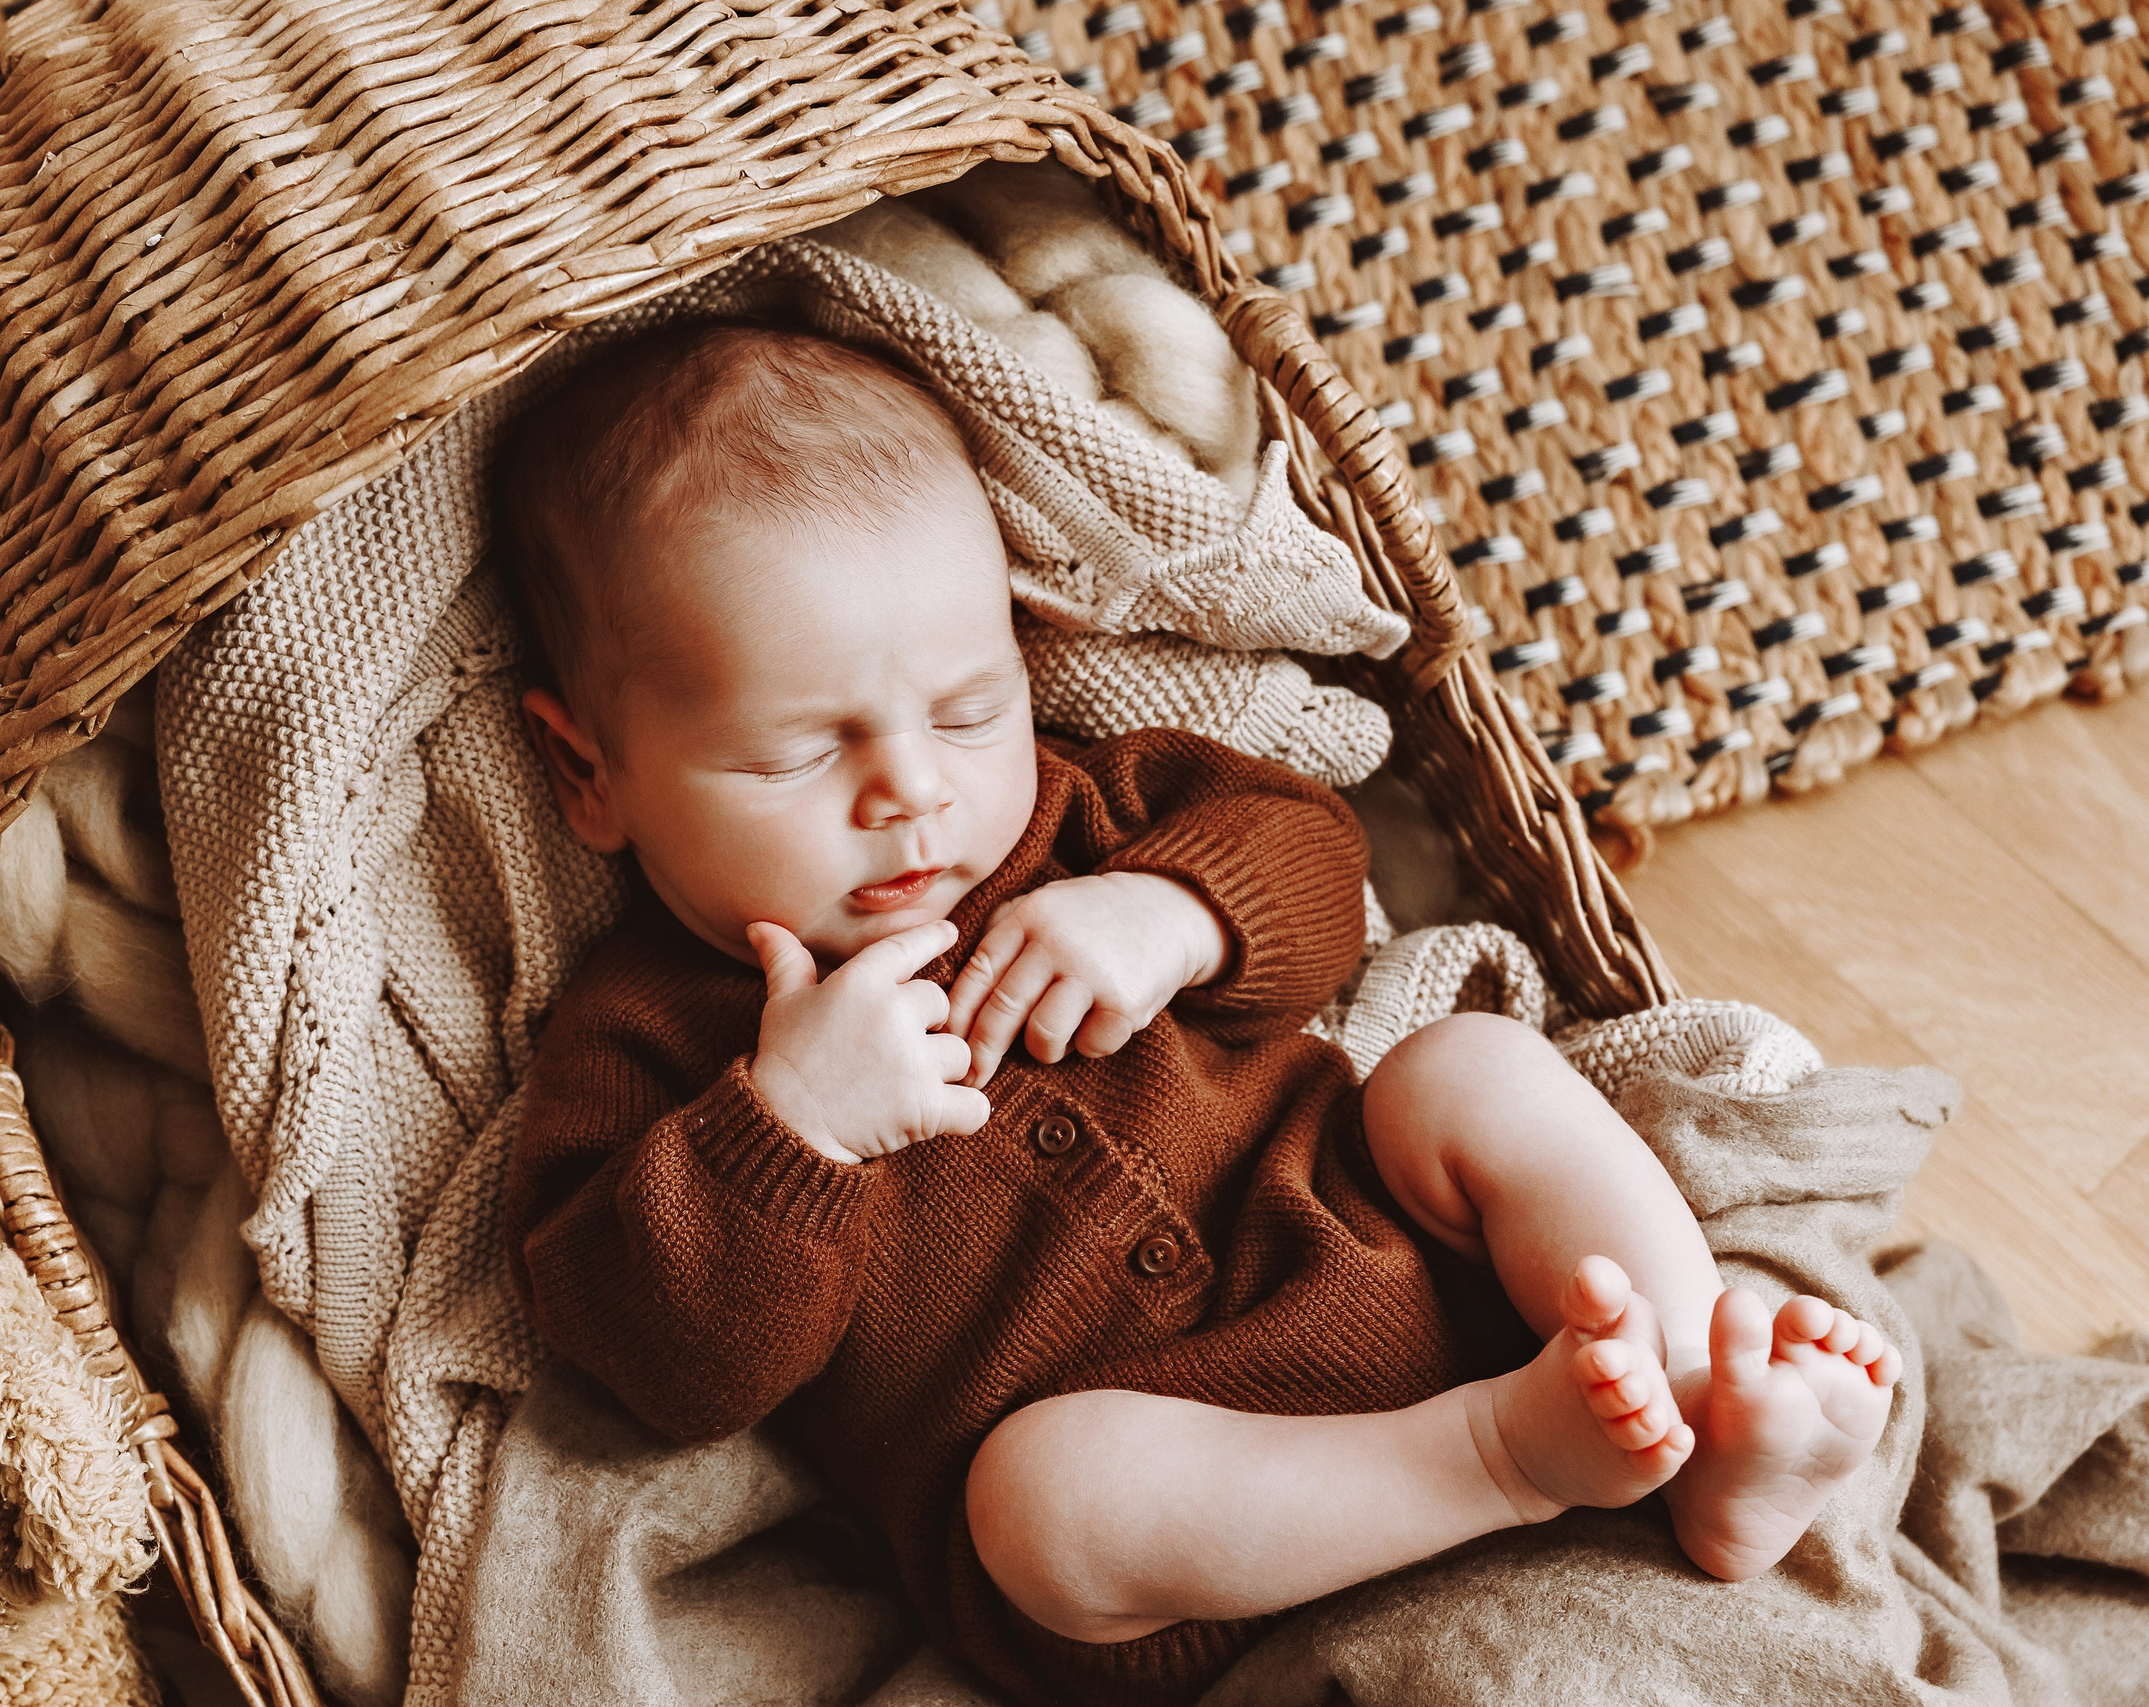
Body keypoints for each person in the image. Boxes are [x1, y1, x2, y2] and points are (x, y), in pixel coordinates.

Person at [497, 321, 1899, 1707]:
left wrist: (1175, 916)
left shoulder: (1081, 813)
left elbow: (1316, 860)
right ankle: (1505, 1461)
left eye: (972, 709)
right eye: (802, 751)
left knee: (1466, 1070)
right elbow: (659, 1366)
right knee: (1036, 1502)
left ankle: (1697, 1386)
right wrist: (789, 1131)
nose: (914, 791)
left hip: (1384, 1247)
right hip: (1164, 1530)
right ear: (590, 771)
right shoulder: (650, 1044)